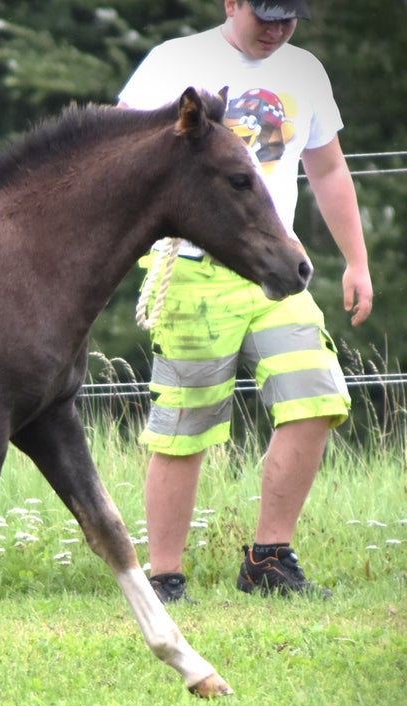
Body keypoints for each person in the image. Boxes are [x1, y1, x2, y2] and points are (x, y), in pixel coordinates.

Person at [117, 0, 373, 603]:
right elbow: (120, 151)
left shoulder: (306, 72)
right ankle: (164, 578)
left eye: (289, 17)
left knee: (316, 397)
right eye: (266, 15)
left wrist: (357, 261)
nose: (278, 29)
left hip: (273, 273)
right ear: (231, 4)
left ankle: (268, 560)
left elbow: (329, 169)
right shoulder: (173, 63)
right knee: (187, 423)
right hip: (193, 272)